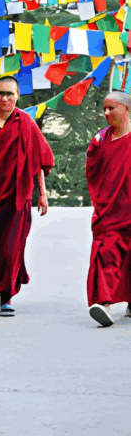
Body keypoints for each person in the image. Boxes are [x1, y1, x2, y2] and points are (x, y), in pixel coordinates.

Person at [0, 75, 54, 316]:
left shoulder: (26, 123)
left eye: (10, 94)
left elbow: (38, 161)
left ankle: (6, 296)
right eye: (1, 93)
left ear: (17, 95)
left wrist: (42, 194)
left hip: (18, 197)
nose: (5, 98)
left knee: (11, 249)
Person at [85, 91, 131, 327]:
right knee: (106, 254)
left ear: (126, 109)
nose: (106, 113)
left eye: (111, 108)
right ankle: (103, 304)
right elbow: (93, 172)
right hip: (110, 209)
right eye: (104, 108)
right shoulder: (100, 140)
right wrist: (103, 200)